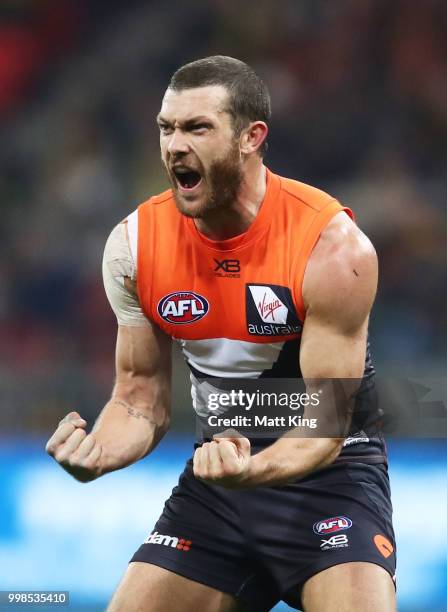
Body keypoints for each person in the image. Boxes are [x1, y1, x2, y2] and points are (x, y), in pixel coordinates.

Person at [45, 56, 396, 612]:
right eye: (166, 127)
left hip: (331, 480)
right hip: (219, 480)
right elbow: (139, 399)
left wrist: (252, 471)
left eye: (197, 127)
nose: (174, 146)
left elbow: (327, 423)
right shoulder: (134, 248)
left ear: (251, 137)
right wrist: (98, 453)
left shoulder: (332, 248)